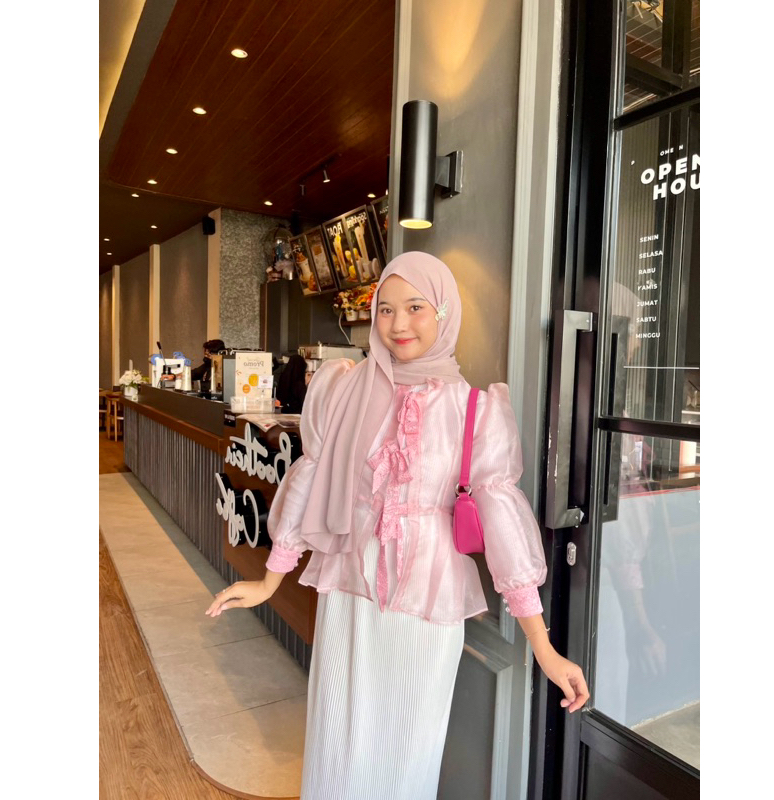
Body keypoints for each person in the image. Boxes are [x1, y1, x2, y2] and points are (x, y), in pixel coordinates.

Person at [206, 252, 589, 799]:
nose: (398, 323)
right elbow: (310, 480)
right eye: (385, 309)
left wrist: (544, 649)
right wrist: (271, 579)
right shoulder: (344, 390)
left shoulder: (475, 410)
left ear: (444, 312)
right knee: (336, 747)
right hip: (348, 597)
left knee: (406, 759)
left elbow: (504, 527)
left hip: (426, 607)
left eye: (415, 307)